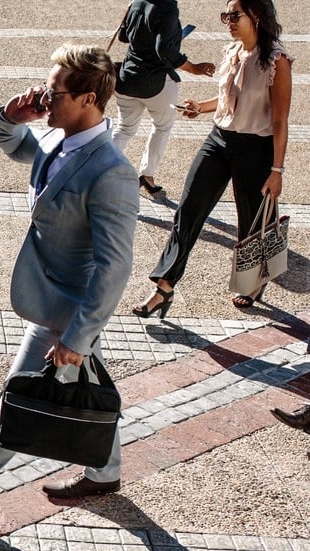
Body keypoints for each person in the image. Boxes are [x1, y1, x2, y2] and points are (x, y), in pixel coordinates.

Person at [0, 44, 138, 518]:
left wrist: (78, 335)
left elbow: (115, 266)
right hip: (52, 300)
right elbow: (20, 148)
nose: (45, 99)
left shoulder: (110, 172)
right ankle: (105, 471)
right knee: (83, 384)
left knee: (21, 400)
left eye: (54, 93)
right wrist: (11, 118)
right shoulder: (60, 140)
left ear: (89, 98)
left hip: (68, 312)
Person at [132, 0, 292, 317]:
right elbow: (226, 99)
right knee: (188, 211)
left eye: (235, 15)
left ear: (256, 17)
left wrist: (277, 170)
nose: (229, 21)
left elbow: (280, 121)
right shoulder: (232, 52)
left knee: (251, 220)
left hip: (256, 147)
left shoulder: (276, 61)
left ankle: (254, 280)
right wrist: (199, 108)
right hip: (218, 140)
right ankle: (164, 286)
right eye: (226, 16)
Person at [111, 0, 216, 194]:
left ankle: (100, 172)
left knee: (124, 129)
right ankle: (147, 175)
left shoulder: (137, 2)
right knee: (162, 126)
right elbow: (165, 51)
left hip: (127, 78)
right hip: (156, 82)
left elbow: (124, 37)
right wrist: (194, 68)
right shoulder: (166, 7)